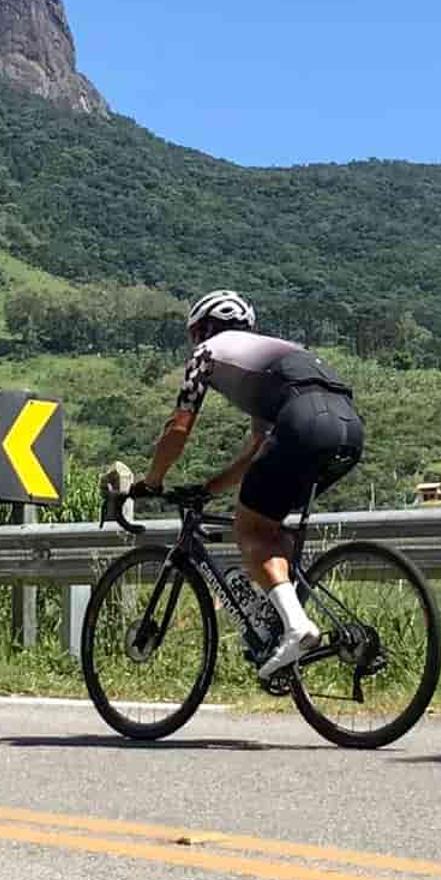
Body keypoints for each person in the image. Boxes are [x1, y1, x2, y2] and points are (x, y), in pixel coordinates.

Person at [131, 289, 364, 680]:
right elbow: (258, 448)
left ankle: (296, 628)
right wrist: (211, 486)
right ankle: (288, 619)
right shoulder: (282, 353)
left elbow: (178, 428)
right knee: (269, 528)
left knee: (249, 529)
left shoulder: (207, 352)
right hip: (348, 427)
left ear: (201, 329)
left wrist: (153, 480)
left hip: (302, 422)